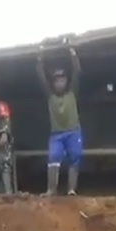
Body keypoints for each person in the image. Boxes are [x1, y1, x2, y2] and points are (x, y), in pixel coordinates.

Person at [36, 46, 83, 196]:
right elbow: (41, 76)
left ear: (66, 81)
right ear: (53, 83)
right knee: (53, 157)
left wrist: (72, 54)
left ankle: (71, 189)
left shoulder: (72, 92)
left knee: (75, 157)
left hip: (73, 131)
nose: (60, 83)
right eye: (57, 80)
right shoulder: (50, 96)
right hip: (56, 134)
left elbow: (77, 72)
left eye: (62, 79)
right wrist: (40, 58)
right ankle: (51, 190)